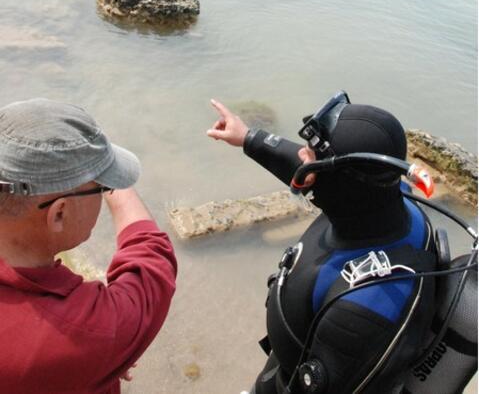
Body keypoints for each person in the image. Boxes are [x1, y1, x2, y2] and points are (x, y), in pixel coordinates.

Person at [207, 93, 437, 394]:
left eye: (311, 157)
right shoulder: (388, 195)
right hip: (284, 365)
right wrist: (249, 137)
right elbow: (319, 171)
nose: (302, 158)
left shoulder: (365, 309)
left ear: (340, 182)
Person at [0, 98, 177, 394]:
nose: (106, 191)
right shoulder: (88, 331)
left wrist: (94, 361)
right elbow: (151, 258)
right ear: (59, 213)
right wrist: (101, 350)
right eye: (102, 186)